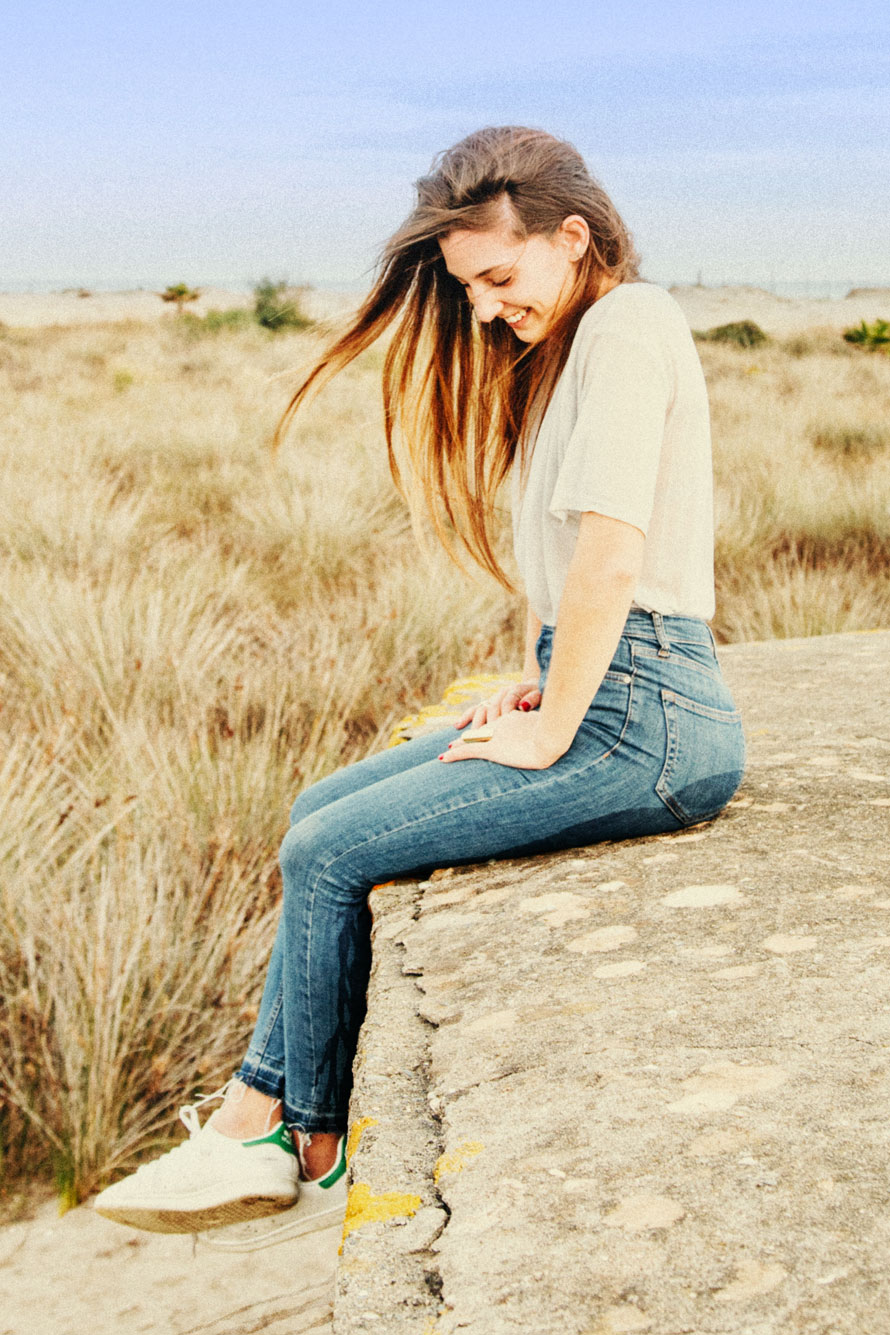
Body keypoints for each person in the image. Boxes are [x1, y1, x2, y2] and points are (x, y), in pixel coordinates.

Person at [94, 126, 745, 1246]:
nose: (484, 308)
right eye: (467, 289)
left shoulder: (632, 322)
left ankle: (284, 1132)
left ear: (572, 235)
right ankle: (269, 1126)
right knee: (312, 809)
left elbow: (611, 558)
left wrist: (555, 734)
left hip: (652, 719)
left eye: (497, 277)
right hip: (605, 696)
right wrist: (535, 687)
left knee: (326, 852)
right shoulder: (567, 352)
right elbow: (555, 576)